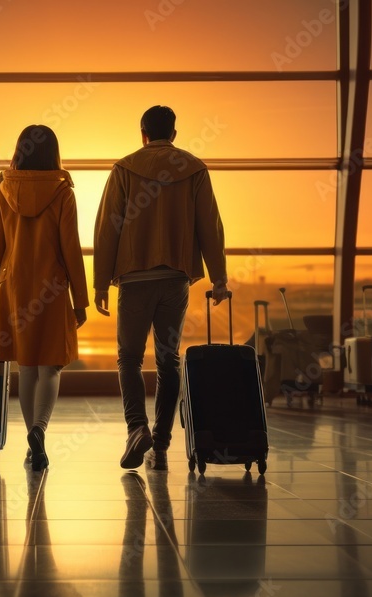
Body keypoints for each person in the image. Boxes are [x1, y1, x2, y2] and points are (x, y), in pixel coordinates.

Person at [94, 105, 228, 470]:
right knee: (168, 359)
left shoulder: (124, 168)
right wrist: (219, 278)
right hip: (174, 279)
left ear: (142, 133)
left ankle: (136, 428)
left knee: (129, 358)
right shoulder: (195, 169)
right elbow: (209, 226)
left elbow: (108, 227)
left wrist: (100, 283)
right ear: (173, 133)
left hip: (134, 279)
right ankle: (163, 442)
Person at [0, 125, 89, 471]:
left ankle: (32, 444)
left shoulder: (2, 192)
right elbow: (71, 248)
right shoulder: (62, 193)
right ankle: (39, 430)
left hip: (14, 287)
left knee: (26, 367)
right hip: (52, 288)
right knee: (50, 364)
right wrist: (80, 299)